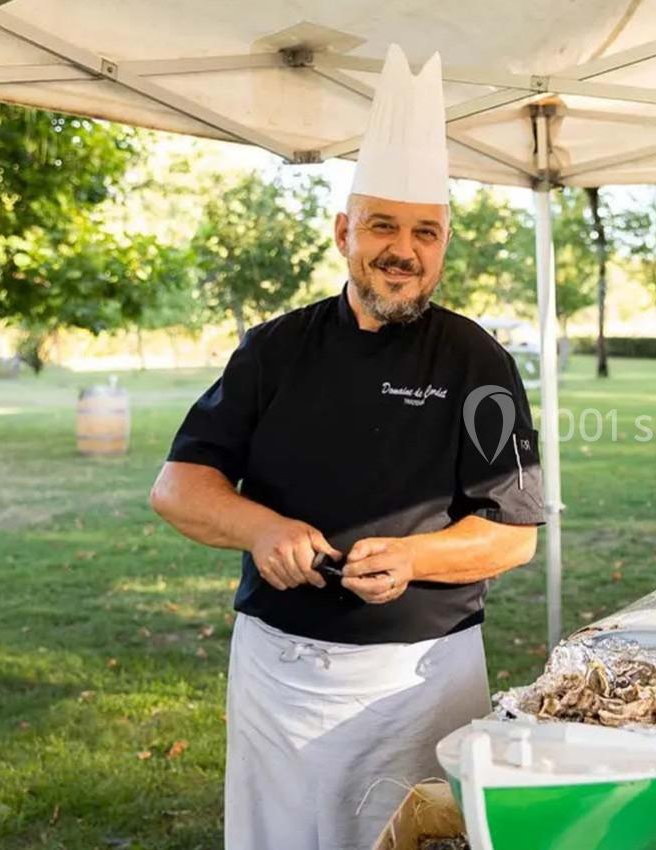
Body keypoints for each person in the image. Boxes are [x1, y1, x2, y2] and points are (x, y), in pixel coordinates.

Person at [149, 45, 544, 850]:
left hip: (421, 680)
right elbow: (178, 485)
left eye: (425, 232)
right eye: (383, 226)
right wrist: (261, 529)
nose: (404, 250)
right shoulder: (273, 349)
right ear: (343, 232)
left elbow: (514, 532)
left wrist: (414, 558)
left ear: (443, 245)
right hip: (277, 673)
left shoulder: (480, 363)